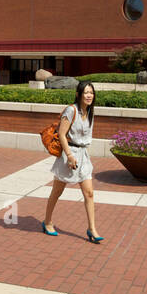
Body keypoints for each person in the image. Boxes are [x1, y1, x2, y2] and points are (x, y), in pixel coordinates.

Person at [42, 81, 104, 243]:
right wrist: (69, 156)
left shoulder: (89, 111)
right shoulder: (72, 110)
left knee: (89, 193)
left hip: (83, 155)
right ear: (78, 94)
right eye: (86, 93)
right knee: (57, 192)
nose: (89, 95)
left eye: (91, 92)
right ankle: (47, 222)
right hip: (69, 155)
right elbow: (62, 134)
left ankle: (92, 229)